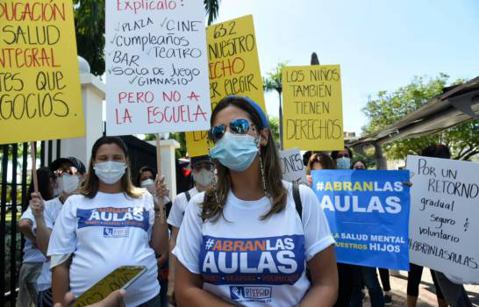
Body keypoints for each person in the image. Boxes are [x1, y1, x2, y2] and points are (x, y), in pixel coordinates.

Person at [173, 96, 338, 306]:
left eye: (239, 127)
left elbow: (326, 284)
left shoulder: (301, 200)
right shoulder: (199, 207)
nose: (228, 136)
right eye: (218, 132)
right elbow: (185, 290)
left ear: (263, 136)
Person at [47, 136, 169, 306]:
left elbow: (160, 248)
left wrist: (159, 207)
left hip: (145, 299)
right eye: (103, 158)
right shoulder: (75, 203)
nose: (110, 163)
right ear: (94, 163)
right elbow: (59, 262)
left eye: (117, 158)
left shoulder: (145, 198)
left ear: (126, 162)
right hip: (89, 301)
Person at [417, 144, 472, 307]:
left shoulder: (466, 181)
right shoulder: (419, 185)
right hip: (439, 249)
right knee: (454, 294)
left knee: (454, 296)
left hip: (454, 248)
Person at [30, 157, 86, 307]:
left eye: (70, 171)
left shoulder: (92, 206)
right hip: (51, 286)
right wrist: (39, 217)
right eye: (59, 172)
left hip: (85, 284)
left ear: (83, 176)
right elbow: (48, 251)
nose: (63, 175)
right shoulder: (46, 207)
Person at [349, 159, 385, 307]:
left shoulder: (375, 191)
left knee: (372, 284)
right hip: (349, 246)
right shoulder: (345, 191)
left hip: (367, 246)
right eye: (356, 167)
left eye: (361, 167)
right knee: (354, 287)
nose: (358, 169)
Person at [17, 167, 54, 307]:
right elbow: (23, 224)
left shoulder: (51, 205)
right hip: (35, 266)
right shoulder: (37, 205)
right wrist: (36, 240)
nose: (54, 185)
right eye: (52, 181)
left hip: (38, 267)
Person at [137, 166, 170, 307]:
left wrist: (163, 257)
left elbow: (169, 234)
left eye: (150, 177)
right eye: (143, 179)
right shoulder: (136, 203)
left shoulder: (165, 200)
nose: (147, 181)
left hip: (162, 267)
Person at [167, 155, 215, 250]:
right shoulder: (181, 199)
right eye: (198, 167)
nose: (203, 171)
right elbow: (174, 239)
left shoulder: (223, 197)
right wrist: (172, 264)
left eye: (207, 167)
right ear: (192, 171)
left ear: (214, 169)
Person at [330, 147, 357, 307]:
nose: (343, 158)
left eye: (346, 156)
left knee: (350, 288)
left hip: (353, 247)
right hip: (331, 247)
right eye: (340, 156)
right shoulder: (324, 181)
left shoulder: (362, 180)